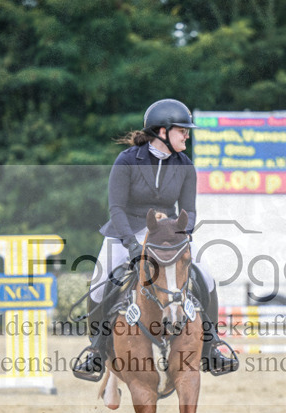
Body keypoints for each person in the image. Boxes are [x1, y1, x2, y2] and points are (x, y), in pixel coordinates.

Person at [73, 98, 238, 381]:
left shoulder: (185, 165)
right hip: (126, 231)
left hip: (169, 235)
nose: (187, 134)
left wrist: (181, 237)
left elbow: (189, 210)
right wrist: (133, 245)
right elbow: (116, 208)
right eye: (182, 130)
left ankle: (212, 346)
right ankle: (96, 351)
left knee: (207, 277)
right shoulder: (127, 160)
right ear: (162, 132)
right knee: (100, 285)